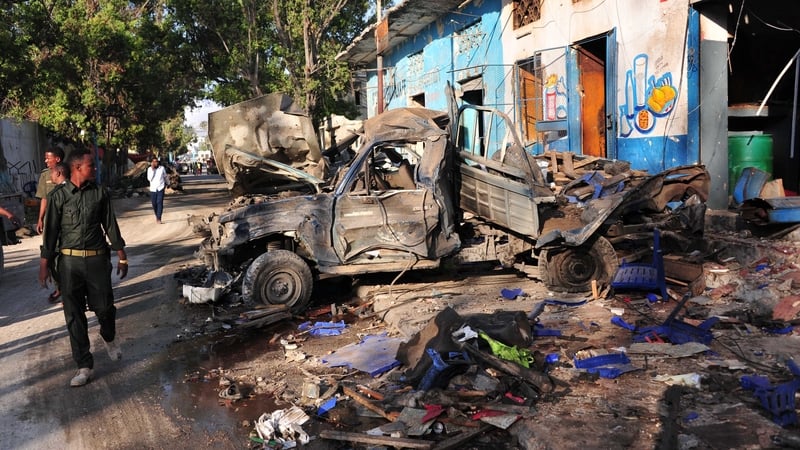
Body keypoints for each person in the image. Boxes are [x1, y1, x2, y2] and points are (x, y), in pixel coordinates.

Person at [38, 148, 128, 387]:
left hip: (97, 261)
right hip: (68, 263)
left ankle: (108, 336)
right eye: (91, 165)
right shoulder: (59, 196)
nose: (95, 169)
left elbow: (111, 225)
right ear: (78, 168)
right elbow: (51, 234)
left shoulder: (100, 193)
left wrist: (122, 255)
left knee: (105, 308)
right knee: (74, 315)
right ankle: (84, 365)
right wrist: (44, 265)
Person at [44, 162, 70, 303]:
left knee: (57, 265)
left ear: (59, 173)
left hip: (62, 238)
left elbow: (52, 225)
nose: (50, 176)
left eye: (52, 172)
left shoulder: (57, 194)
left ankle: (63, 290)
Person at [36, 147, 65, 234]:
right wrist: (40, 219)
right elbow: (44, 198)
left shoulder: (69, 172)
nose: (46, 161)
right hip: (51, 215)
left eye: (48, 158)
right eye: (45, 158)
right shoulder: (45, 175)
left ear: (57, 159)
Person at [146, 156, 168, 224]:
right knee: (154, 204)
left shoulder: (162, 168)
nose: (155, 163)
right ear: (151, 163)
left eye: (156, 162)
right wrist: (153, 170)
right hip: (153, 189)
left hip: (160, 188)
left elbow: (165, 176)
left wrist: (168, 183)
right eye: (154, 162)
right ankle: (157, 215)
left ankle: (159, 218)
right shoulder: (149, 169)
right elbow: (149, 179)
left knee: (159, 202)